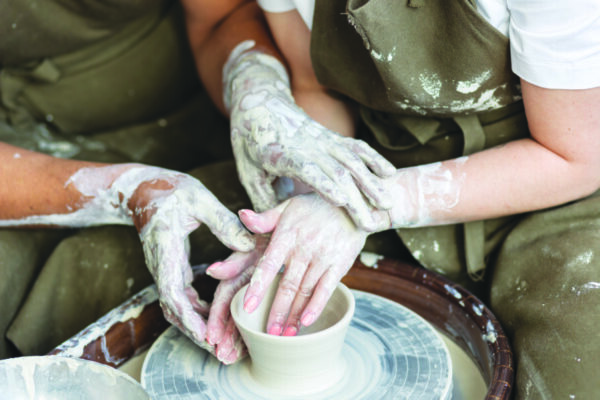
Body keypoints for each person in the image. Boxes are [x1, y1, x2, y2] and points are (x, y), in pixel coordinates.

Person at [200, 1, 600, 398]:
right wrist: (309, 201)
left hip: (549, 185)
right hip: (379, 159)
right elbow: (315, 86)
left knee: (575, 375)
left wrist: (369, 203)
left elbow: (575, 157)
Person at [0, 0, 391, 365]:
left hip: (188, 94)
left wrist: (254, 88)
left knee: (246, 240)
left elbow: (223, 14)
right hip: (18, 154)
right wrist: (125, 190)